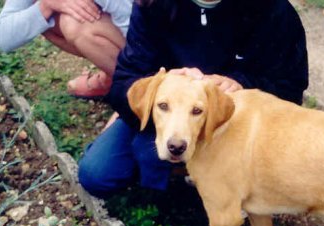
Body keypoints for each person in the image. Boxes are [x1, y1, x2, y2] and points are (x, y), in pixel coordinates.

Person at [78, 0, 309, 196]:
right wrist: (156, 85)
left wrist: (241, 84)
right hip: (168, 117)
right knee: (97, 174)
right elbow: (124, 81)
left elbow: (290, 89)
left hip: (231, 124)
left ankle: (207, 177)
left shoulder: (274, 11)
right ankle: (177, 172)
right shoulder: (152, 4)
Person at [0, 0, 132, 97]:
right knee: (45, 16)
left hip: (147, 34)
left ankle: (138, 88)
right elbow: (4, 37)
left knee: (74, 24)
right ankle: (117, 77)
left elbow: (140, 28)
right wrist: (46, 6)